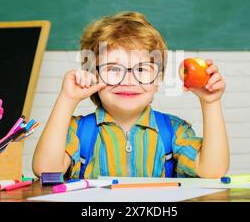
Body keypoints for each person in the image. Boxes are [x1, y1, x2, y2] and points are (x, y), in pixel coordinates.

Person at [33, 11, 229, 179]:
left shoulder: (174, 131)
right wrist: (67, 100)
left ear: (158, 79)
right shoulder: (77, 131)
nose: (128, 80)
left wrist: (210, 102)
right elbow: (45, 171)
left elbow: (213, 171)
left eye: (142, 69)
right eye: (113, 69)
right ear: (93, 75)